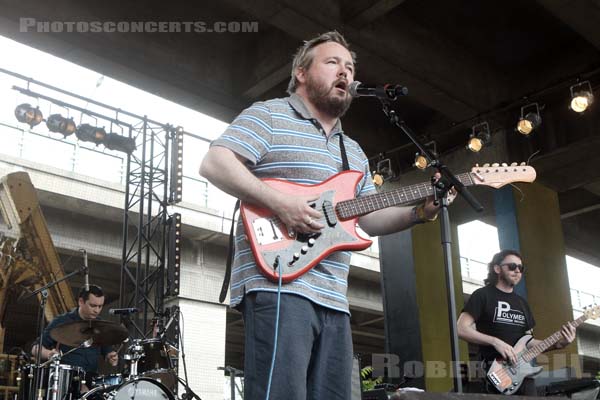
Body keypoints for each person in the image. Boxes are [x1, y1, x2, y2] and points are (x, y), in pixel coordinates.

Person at [200, 31, 450, 400]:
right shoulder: (269, 115)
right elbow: (215, 162)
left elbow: (366, 219)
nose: (345, 73)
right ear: (301, 73)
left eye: (349, 67)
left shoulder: (354, 152)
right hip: (279, 284)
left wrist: (420, 211)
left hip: (334, 297)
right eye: (333, 63)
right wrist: (281, 203)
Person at [457, 249, 576, 394]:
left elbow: (528, 343)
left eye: (521, 268)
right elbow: (461, 329)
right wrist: (495, 341)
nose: (517, 271)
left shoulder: (522, 303)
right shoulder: (482, 295)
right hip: (493, 371)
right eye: (512, 266)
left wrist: (559, 344)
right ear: (497, 268)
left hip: (522, 375)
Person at [33, 285, 119, 386]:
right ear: (81, 302)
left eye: (100, 306)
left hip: (91, 380)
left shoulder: (101, 326)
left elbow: (108, 351)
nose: (97, 310)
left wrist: (112, 357)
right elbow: (35, 349)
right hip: (65, 380)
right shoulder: (61, 322)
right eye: (93, 306)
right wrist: (49, 354)